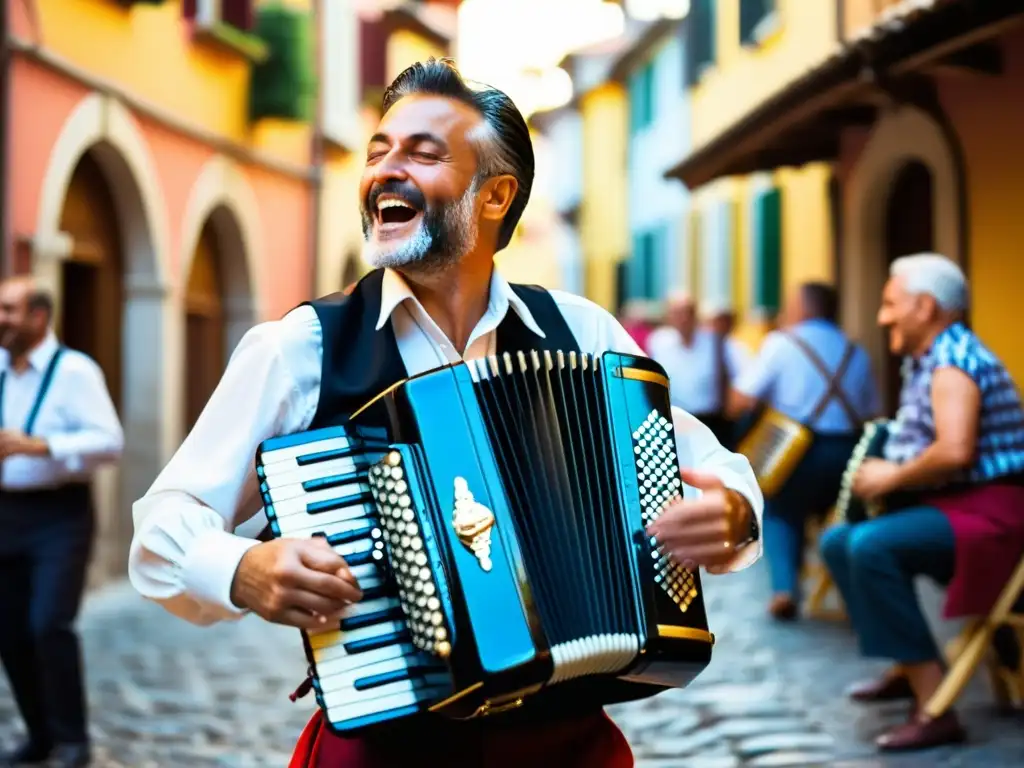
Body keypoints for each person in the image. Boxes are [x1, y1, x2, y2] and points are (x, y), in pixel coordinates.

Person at [128, 59, 764, 768]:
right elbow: (160, 531)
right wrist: (242, 568)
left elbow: (716, 468)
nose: (385, 171)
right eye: (379, 152)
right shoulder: (300, 349)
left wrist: (733, 514)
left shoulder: (583, 335)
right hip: (384, 747)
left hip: (565, 744)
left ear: (494, 196)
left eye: (422, 154)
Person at [821, 253, 1024, 752]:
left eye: (891, 304)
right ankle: (908, 666)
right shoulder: (930, 358)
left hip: (992, 516)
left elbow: (955, 451)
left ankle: (935, 707)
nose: (883, 316)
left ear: (926, 306)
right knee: (836, 541)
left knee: (870, 546)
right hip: (961, 509)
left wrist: (891, 475)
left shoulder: (954, 361)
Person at [0, 277, 124, 768]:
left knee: (49, 623)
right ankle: (40, 735)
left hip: (60, 514)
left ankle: (73, 739)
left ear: (38, 317)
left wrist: (43, 446)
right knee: (9, 632)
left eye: (8, 309)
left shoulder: (76, 372)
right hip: (6, 512)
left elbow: (109, 441)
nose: (1, 319)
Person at [728, 282, 881, 620]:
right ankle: (852, 592)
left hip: (796, 452)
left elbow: (741, 399)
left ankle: (785, 588)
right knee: (842, 517)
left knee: (780, 509)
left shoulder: (781, 343)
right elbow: (873, 411)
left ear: (803, 308)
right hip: (848, 454)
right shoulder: (856, 350)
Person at [647, 292, 749, 447]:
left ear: (696, 315)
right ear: (669, 317)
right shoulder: (659, 343)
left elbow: (744, 380)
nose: (683, 319)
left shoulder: (717, 342)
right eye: (677, 313)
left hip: (712, 424)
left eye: (688, 312)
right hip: (675, 423)